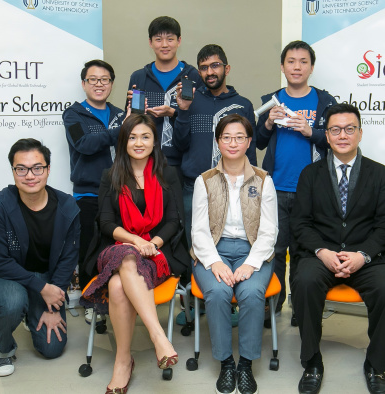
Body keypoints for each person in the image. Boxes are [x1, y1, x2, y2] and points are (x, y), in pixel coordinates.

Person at [290, 103, 385, 394]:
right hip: (321, 254)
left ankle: (376, 363)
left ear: (360, 133)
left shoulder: (380, 174)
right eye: (335, 129)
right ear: (326, 135)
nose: (343, 135)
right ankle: (312, 360)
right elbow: (300, 223)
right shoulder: (310, 175)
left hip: (367, 257)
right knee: (304, 281)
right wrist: (322, 252)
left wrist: (362, 255)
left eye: (349, 129)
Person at [81, 113, 189, 394]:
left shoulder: (168, 174)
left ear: (155, 141)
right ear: (123, 141)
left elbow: (174, 220)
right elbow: (105, 223)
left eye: (145, 136)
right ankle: (158, 336)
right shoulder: (111, 175)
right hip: (117, 247)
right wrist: (134, 242)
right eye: (132, 137)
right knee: (127, 257)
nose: (139, 142)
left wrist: (151, 243)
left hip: (156, 250)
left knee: (117, 286)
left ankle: (123, 361)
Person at [0, 138, 80, 377]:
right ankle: (1, 350)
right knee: (13, 301)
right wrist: (40, 287)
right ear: (13, 171)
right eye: (21, 169)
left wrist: (53, 305)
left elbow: (69, 257)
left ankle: (30, 313)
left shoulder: (67, 206)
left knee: (52, 349)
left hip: (48, 277)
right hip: (7, 274)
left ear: (47, 169)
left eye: (37, 167)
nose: (30, 175)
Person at [191, 114, 278, 394]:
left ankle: (247, 364)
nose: (233, 143)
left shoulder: (264, 180)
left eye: (240, 137)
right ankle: (227, 362)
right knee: (216, 293)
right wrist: (214, 261)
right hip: (212, 251)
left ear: (249, 142)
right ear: (218, 142)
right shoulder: (204, 181)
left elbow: (269, 231)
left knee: (251, 293)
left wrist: (251, 264)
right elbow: (198, 230)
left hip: (253, 251)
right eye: (226, 137)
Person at [256, 40, 337, 325]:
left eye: (303, 61)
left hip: (311, 191)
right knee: (275, 249)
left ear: (311, 67)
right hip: (275, 188)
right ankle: (274, 305)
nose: (297, 67)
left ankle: (301, 308)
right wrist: (267, 123)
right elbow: (257, 142)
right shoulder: (272, 99)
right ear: (282, 66)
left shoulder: (325, 102)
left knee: (305, 251)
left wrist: (311, 131)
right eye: (291, 61)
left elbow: (335, 142)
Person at [174, 43, 257, 247]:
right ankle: (192, 280)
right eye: (203, 67)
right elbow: (180, 144)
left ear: (226, 69)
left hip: (232, 185)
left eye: (215, 65)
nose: (209, 72)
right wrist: (183, 111)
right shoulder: (190, 102)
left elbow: (250, 151)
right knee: (193, 241)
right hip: (193, 185)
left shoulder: (243, 105)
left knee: (227, 243)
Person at [63, 59, 125, 294]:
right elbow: (83, 144)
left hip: (119, 192)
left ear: (111, 84)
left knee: (117, 247)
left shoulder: (120, 115)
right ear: (84, 83)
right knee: (89, 249)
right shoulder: (73, 115)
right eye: (93, 80)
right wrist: (119, 132)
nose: (99, 84)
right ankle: (90, 298)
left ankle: (116, 296)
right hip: (88, 194)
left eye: (105, 80)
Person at [125, 16, 202, 173]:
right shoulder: (139, 77)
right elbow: (130, 124)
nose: (165, 45)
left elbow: (199, 121)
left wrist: (173, 113)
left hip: (181, 165)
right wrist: (137, 114)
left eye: (170, 39)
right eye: (158, 39)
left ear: (179, 41)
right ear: (150, 42)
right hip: (144, 163)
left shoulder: (193, 76)